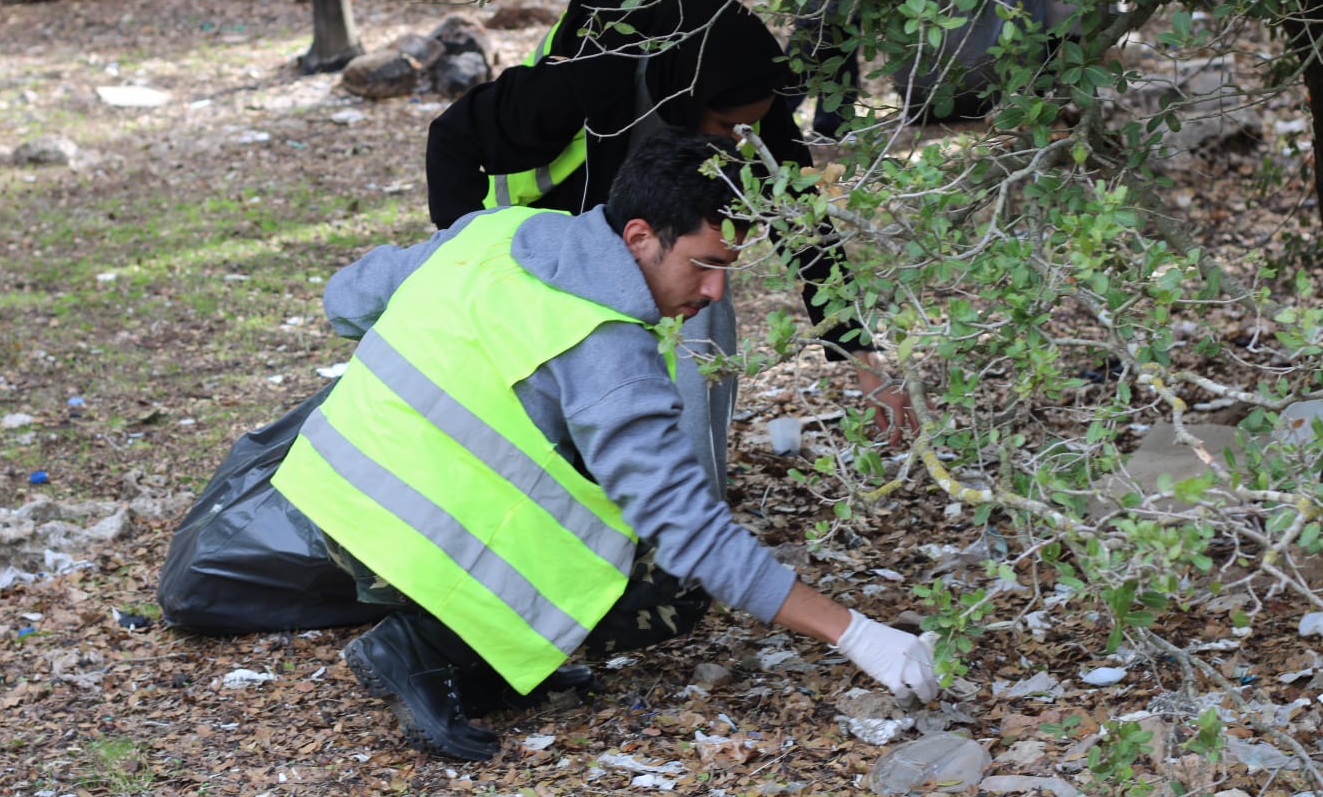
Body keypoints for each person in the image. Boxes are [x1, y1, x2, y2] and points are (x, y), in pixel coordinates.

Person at [271, 131, 938, 761]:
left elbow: (345, 302)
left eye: (727, 268)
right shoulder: (606, 345)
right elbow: (689, 530)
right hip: (402, 535)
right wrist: (856, 634)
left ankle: (488, 661)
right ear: (640, 237)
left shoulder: (497, 231)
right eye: (703, 265)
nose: (714, 292)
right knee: (671, 585)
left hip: (330, 495)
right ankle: (422, 646)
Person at [425, 0, 916, 487]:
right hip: (544, 229)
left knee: (703, 291)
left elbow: (796, 207)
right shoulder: (592, 73)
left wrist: (860, 350)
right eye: (728, 128)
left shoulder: (742, 86)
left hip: (643, 222)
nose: (738, 144)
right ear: (689, 96)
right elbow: (452, 138)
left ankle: (688, 508)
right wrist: (469, 260)